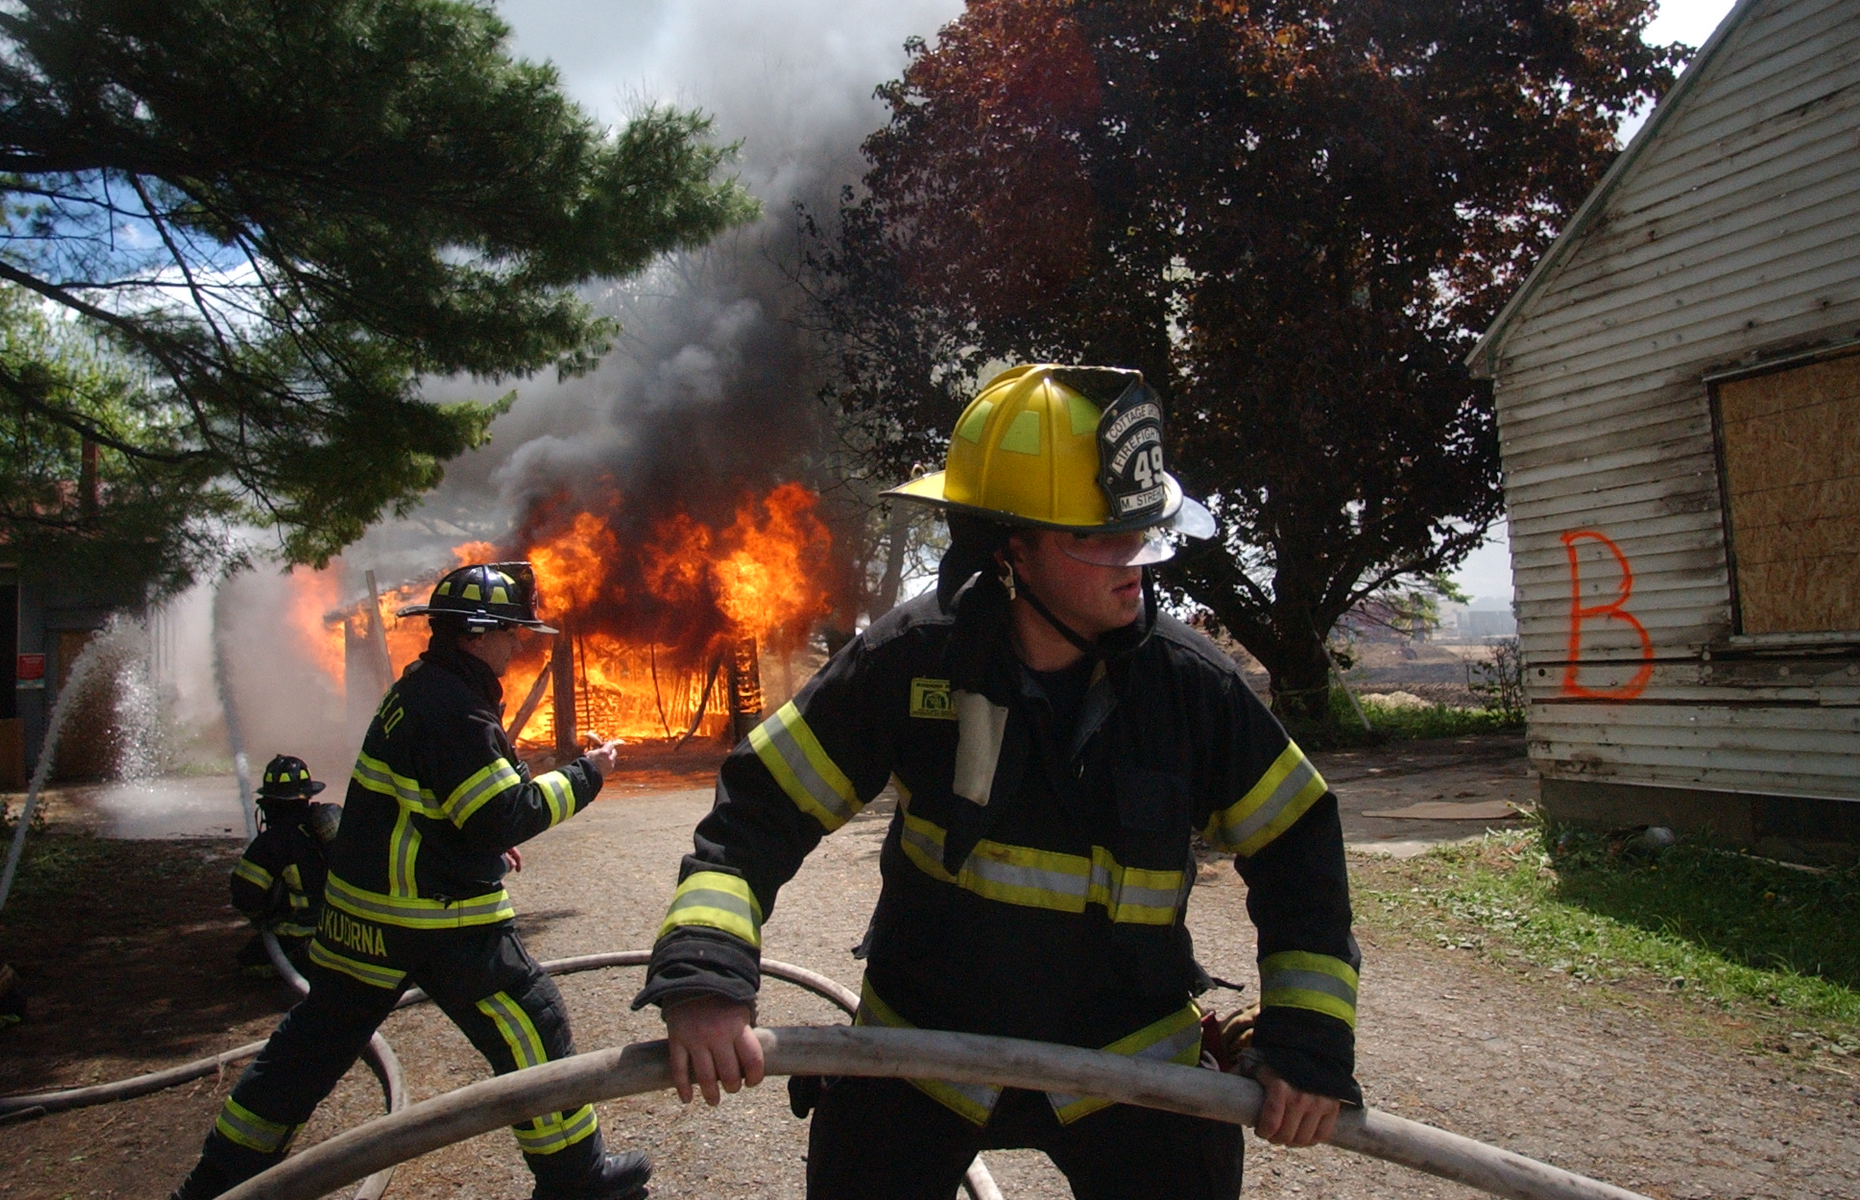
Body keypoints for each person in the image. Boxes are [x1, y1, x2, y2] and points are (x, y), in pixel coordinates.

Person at [638, 364, 1362, 1200]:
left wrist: (1308, 1040)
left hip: (1133, 1065)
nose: (1133, 561)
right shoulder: (909, 663)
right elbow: (756, 815)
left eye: (1141, 531)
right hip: (922, 1052)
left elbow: (1298, 845)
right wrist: (706, 976)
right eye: (1095, 537)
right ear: (1010, 548)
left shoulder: (1191, 689)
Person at [174, 562, 652, 1200]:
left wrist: (475, 832)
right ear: (476, 633)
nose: (519, 643)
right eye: (510, 631)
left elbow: (439, 801)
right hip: (430, 917)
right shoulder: (455, 708)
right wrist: (588, 773)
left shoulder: (424, 688)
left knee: (304, 1055)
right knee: (532, 1025)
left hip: (359, 917)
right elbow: (500, 813)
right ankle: (576, 1181)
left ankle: (215, 1186)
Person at [231, 755, 339, 979]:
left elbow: (245, 895)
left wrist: (264, 916)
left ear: (270, 803)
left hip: (300, 941)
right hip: (346, 936)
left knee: (248, 963)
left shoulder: (270, 843)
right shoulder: (326, 830)